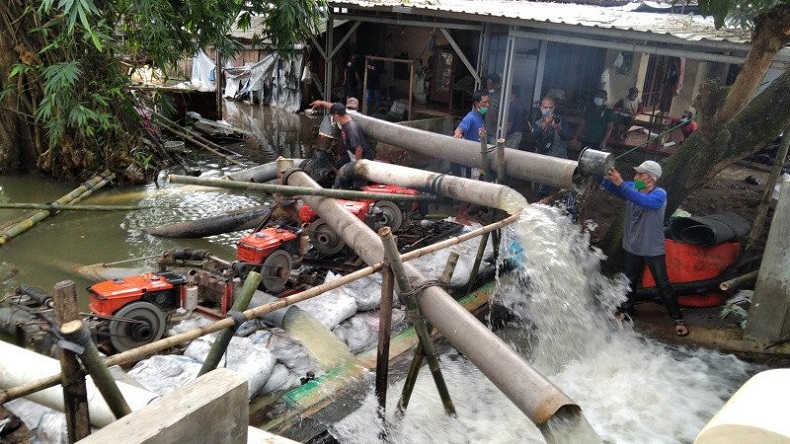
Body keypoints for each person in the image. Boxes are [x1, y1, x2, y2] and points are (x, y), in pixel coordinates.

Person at [602, 160, 688, 337]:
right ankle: (625, 311)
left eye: (641, 174)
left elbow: (642, 200)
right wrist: (602, 176)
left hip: (651, 248)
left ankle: (677, 318)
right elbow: (615, 188)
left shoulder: (659, 195)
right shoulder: (634, 187)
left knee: (663, 284)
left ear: (652, 178)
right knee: (629, 280)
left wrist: (621, 185)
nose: (636, 177)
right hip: (633, 246)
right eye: (637, 174)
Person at [309, 100, 375, 190]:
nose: (333, 119)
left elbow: (359, 149)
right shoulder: (344, 116)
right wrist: (321, 103)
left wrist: (356, 166)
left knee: (359, 182)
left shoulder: (351, 128)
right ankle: (343, 184)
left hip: (362, 155)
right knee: (336, 168)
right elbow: (333, 106)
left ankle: (361, 192)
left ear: (336, 116)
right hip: (350, 154)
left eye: (333, 117)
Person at [531, 96, 571, 198]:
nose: (548, 110)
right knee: (544, 185)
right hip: (544, 158)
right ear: (541, 108)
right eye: (546, 107)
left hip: (560, 157)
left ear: (554, 107)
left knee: (564, 186)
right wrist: (545, 123)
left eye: (551, 107)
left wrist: (557, 127)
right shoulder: (537, 123)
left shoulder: (561, 121)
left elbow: (566, 136)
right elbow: (534, 136)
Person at [453, 90, 489, 177]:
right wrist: (457, 134)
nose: (487, 105)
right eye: (484, 102)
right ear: (477, 104)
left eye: (488, 102)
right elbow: (459, 129)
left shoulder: (480, 117)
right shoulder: (470, 117)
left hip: (477, 158)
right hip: (469, 161)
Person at [483, 73, 501, 144]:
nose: (488, 87)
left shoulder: (501, 97)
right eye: (487, 84)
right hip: (485, 130)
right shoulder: (486, 94)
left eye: (490, 84)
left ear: (496, 84)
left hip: (494, 132)